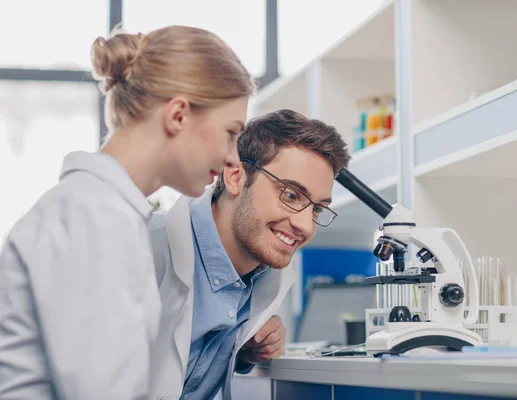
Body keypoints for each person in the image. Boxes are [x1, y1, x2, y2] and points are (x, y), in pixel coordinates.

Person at [0, 25, 253, 399]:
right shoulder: (97, 216)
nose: (233, 156)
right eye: (231, 133)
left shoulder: (104, 209)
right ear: (178, 115)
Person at [148, 109, 351, 399]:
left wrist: (245, 350)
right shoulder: (143, 250)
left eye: (317, 209)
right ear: (234, 176)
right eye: (291, 195)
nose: (305, 226)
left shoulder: (264, 273)